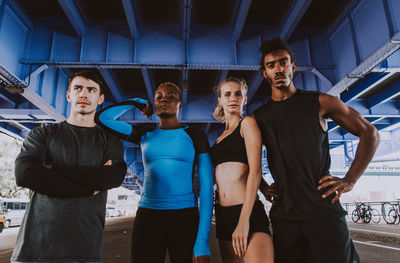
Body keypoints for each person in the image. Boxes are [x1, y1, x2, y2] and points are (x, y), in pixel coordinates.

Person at [253, 37, 380, 263]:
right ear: (264, 73)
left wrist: (350, 180)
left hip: (324, 211)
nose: (278, 68)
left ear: (292, 66)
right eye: (271, 65)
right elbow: (243, 159)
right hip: (285, 216)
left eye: (283, 62)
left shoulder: (320, 102)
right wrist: (263, 187)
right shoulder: (259, 118)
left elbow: (369, 133)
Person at [12, 70, 127, 263]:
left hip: (84, 249)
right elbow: (25, 174)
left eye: (91, 90)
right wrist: (89, 187)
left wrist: (56, 169)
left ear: (100, 99)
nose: (83, 94)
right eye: (78, 88)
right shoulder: (43, 134)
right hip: (34, 250)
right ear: (68, 95)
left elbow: (114, 177)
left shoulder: (109, 141)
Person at [95, 82, 213, 263]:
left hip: (185, 216)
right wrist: (135, 102)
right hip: (149, 217)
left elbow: (206, 188)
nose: (164, 99)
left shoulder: (195, 135)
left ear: (180, 104)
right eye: (159, 96)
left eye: (171, 96)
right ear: (154, 103)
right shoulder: (144, 134)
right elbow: (102, 119)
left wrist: (202, 241)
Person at [210, 77, 274, 263]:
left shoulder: (247, 124)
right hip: (222, 215)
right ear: (220, 100)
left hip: (247, 212)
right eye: (227, 94)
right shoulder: (220, 138)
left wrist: (244, 220)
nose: (232, 98)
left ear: (244, 99)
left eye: (238, 94)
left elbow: (255, 170)